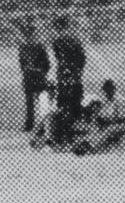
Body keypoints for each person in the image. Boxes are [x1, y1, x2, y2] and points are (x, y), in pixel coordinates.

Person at [51, 16, 87, 144]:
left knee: (68, 104)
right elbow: (81, 59)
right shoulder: (66, 41)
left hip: (68, 76)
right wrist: (75, 71)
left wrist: (72, 71)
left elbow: (80, 59)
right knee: (69, 103)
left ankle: (68, 134)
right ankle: (67, 133)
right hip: (69, 76)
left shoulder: (65, 41)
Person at [72, 79, 125, 155]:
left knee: (108, 130)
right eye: (106, 89)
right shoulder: (100, 100)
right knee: (96, 131)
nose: (108, 91)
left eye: (110, 89)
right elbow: (85, 107)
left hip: (117, 126)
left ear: (114, 89)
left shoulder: (119, 100)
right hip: (102, 125)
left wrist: (110, 121)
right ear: (103, 89)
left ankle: (90, 147)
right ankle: (86, 145)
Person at [17, 22, 50, 133]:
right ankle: (29, 124)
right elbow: (21, 63)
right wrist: (26, 69)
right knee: (29, 103)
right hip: (28, 78)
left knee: (42, 103)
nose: (28, 36)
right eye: (26, 34)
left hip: (39, 78)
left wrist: (38, 70)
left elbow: (47, 64)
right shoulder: (22, 47)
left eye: (30, 34)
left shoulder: (40, 47)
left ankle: (43, 125)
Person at [29, 82, 60, 150]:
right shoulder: (42, 96)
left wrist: (53, 113)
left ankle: (49, 142)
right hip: (43, 115)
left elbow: (56, 108)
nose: (51, 91)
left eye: (52, 89)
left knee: (47, 122)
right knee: (43, 123)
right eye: (49, 89)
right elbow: (43, 109)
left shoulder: (57, 96)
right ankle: (35, 141)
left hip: (53, 116)